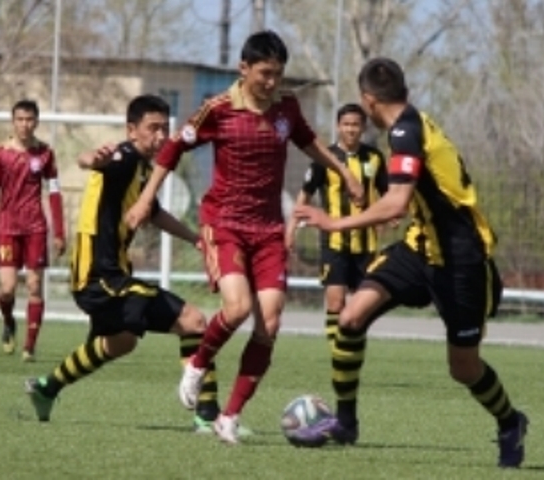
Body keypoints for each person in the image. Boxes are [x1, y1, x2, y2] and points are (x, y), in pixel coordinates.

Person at [123, 30, 364, 444]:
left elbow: (308, 142)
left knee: (269, 322)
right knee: (236, 309)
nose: (272, 82)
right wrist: (146, 198)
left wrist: (343, 172)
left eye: (278, 74)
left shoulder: (287, 106)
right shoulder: (217, 109)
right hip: (225, 224)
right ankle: (197, 364)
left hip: (268, 229)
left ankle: (229, 416)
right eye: (265, 73)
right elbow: (173, 149)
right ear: (244, 68)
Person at [292, 58, 529, 468]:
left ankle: (510, 423)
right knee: (350, 317)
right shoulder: (410, 125)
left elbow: (396, 202)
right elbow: (405, 198)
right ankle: (345, 423)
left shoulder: (405, 131)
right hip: (420, 247)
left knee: (463, 367)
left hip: (461, 260)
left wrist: (334, 222)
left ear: (368, 100)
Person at [24, 95, 221, 429]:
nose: (161, 136)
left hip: (111, 274)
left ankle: (46, 388)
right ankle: (209, 416)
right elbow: (92, 160)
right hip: (98, 276)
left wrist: (196, 239)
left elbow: (153, 213)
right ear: (132, 130)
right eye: (153, 128)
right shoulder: (125, 157)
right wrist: (90, 158)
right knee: (194, 321)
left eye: (165, 128)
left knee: (122, 342)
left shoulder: (143, 168)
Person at [285, 103, 389, 348]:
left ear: (363, 127)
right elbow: (305, 195)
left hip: (366, 243)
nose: (351, 129)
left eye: (355, 125)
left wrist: (387, 218)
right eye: (346, 124)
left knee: (360, 306)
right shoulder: (324, 159)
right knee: (335, 301)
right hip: (334, 243)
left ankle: (352, 349)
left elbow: (388, 194)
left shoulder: (374, 158)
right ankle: (336, 351)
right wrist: (291, 230)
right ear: (338, 127)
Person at [0, 99, 66, 362]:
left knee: (34, 285)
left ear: (36, 122)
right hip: (7, 227)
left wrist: (59, 231)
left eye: (29, 120)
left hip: (35, 228)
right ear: (13, 121)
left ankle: (30, 346)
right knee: (7, 289)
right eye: (20, 119)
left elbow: (54, 193)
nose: (25, 124)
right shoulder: (0, 153)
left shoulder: (45, 153)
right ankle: (8, 322)